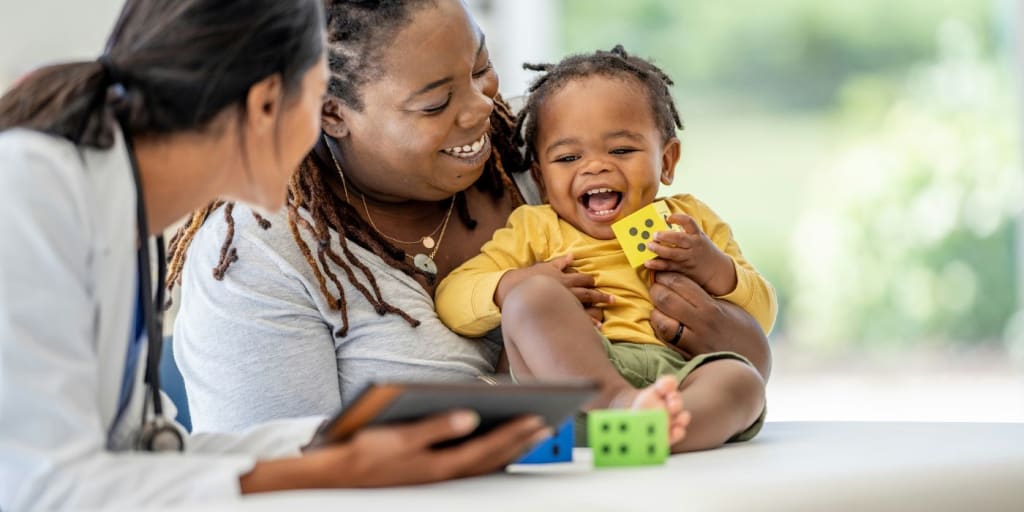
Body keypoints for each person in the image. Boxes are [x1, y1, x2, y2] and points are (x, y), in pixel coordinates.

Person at [0, 1, 551, 509]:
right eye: (318, 102)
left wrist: (352, 443)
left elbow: (146, 457)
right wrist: (340, 469)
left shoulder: (123, 212)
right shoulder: (30, 191)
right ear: (267, 104)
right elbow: (40, 487)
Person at [170, 0, 772, 437]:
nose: (483, 106)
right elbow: (275, 476)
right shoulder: (261, 258)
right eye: (436, 102)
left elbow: (746, 347)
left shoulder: (554, 157)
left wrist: (718, 321)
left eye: (481, 66)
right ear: (331, 113)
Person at [435, 46, 776, 452]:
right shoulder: (537, 227)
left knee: (742, 381)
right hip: (576, 387)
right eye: (568, 156)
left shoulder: (688, 221)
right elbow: (453, 300)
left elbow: (762, 313)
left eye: (621, 151)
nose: (594, 166)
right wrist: (513, 285)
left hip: (680, 380)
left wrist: (713, 267)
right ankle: (622, 407)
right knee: (531, 298)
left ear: (667, 161)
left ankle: (657, 431)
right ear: (542, 180)